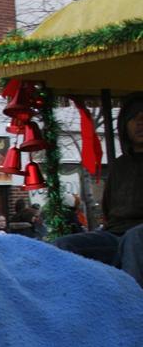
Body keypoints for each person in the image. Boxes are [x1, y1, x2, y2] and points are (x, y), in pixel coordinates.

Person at [56, 93, 143, 275]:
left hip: (138, 235)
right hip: (116, 233)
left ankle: (133, 300)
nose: (139, 122)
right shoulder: (120, 166)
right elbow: (109, 208)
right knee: (64, 245)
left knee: (133, 240)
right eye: (134, 118)